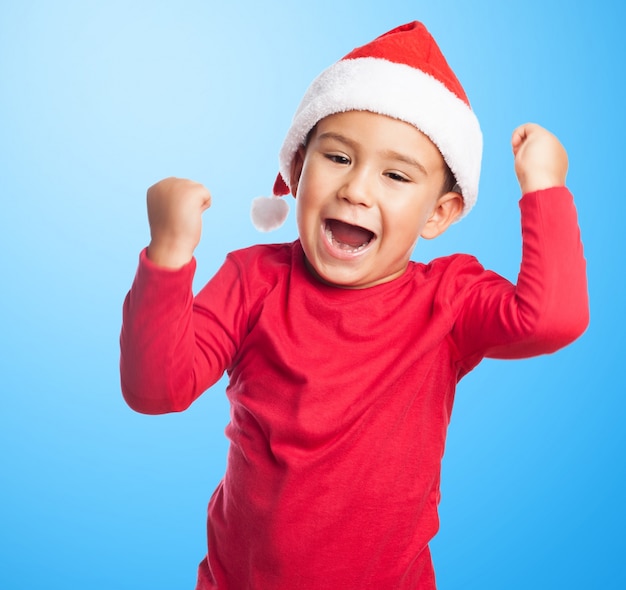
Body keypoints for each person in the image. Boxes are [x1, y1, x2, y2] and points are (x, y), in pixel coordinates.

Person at [120, 21, 589, 589]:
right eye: (338, 158)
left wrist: (545, 187)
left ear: (438, 215)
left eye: (395, 175)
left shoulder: (449, 299)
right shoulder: (254, 279)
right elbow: (155, 390)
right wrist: (168, 256)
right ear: (296, 171)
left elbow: (552, 319)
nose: (357, 189)